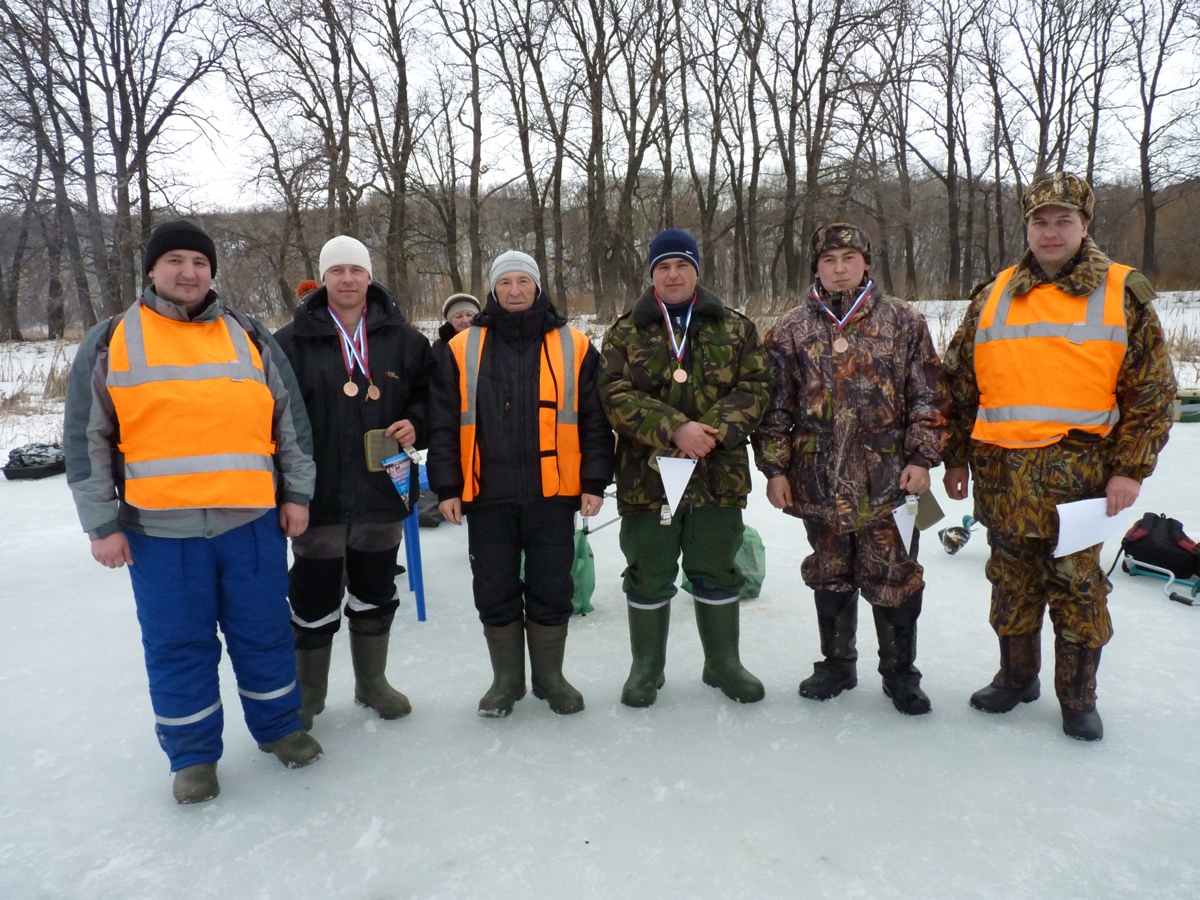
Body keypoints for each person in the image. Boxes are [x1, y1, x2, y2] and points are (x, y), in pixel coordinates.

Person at [64, 219, 322, 805]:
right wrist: (102, 525)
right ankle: (193, 756)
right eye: (175, 260)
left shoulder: (249, 334)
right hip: (160, 531)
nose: (188, 272)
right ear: (152, 270)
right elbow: (86, 440)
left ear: (212, 271)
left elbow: (291, 423)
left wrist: (297, 494)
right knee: (178, 644)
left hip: (251, 523)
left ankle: (280, 729)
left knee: (263, 633)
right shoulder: (111, 340)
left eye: (199, 262)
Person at [942, 172, 1176, 741]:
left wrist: (1129, 469)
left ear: (1085, 225)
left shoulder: (1123, 292)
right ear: (1027, 227)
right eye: (1040, 221)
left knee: (1077, 588)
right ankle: (1016, 678)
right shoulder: (993, 293)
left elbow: (1151, 394)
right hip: (1001, 476)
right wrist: (953, 458)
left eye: (1063, 221)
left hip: (1081, 480)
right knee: (1011, 580)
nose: (1051, 232)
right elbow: (958, 387)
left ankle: (1077, 696)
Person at [752, 223, 950, 715]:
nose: (839, 269)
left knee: (895, 573)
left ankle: (900, 672)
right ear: (816, 267)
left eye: (848, 258)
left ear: (865, 263)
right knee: (830, 571)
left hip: (891, 481)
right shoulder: (790, 329)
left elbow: (929, 395)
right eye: (829, 260)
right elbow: (775, 407)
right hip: (817, 477)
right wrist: (776, 469)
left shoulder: (903, 321)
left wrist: (923, 458)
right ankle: (837, 663)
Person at [427, 251, 614, 717]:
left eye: (522, 281)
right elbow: (444, 424)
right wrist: (448, 487)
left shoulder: (575, 344)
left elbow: (595, 418)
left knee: (553, 587)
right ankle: (506, 681)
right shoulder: (461, 346)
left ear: (537, 287)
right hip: (488, 496)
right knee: (494, 588)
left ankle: (550, 678)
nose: (514, 290)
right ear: (493, 289)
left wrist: (594, 479)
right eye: (505, 282)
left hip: (553, 494)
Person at [599, 228, 773, 708]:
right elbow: (614, 395)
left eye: (681, 265)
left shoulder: (736, 328)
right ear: (651, 275)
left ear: (697, 270)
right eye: (662, 267)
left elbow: (756, 388)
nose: (672, 274)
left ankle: (722, 664)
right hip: (647, 478)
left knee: (716, 568)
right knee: (648, 570)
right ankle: (646, 668)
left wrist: (708, 432)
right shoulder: (624, 331)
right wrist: (674, 428)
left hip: (718, 475)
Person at [274, 236, 436, 731]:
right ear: (322, 279)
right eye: (337, 270)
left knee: (375, 590)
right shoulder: (289, 343)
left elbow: (432, 398)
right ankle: (310, 694)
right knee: (312, 597)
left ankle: (372, 684)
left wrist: (416, 421)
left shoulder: (405, 340)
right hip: (317, 497)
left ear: (370, 277)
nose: (347, 279)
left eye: (356, 270)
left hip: (383, 491)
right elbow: (272, 417)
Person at [420, 293, 481, 528]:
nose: (465, 320)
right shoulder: (440, 349)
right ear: (449, 320)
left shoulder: (488, 341)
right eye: (459, 316)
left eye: (469, 314)